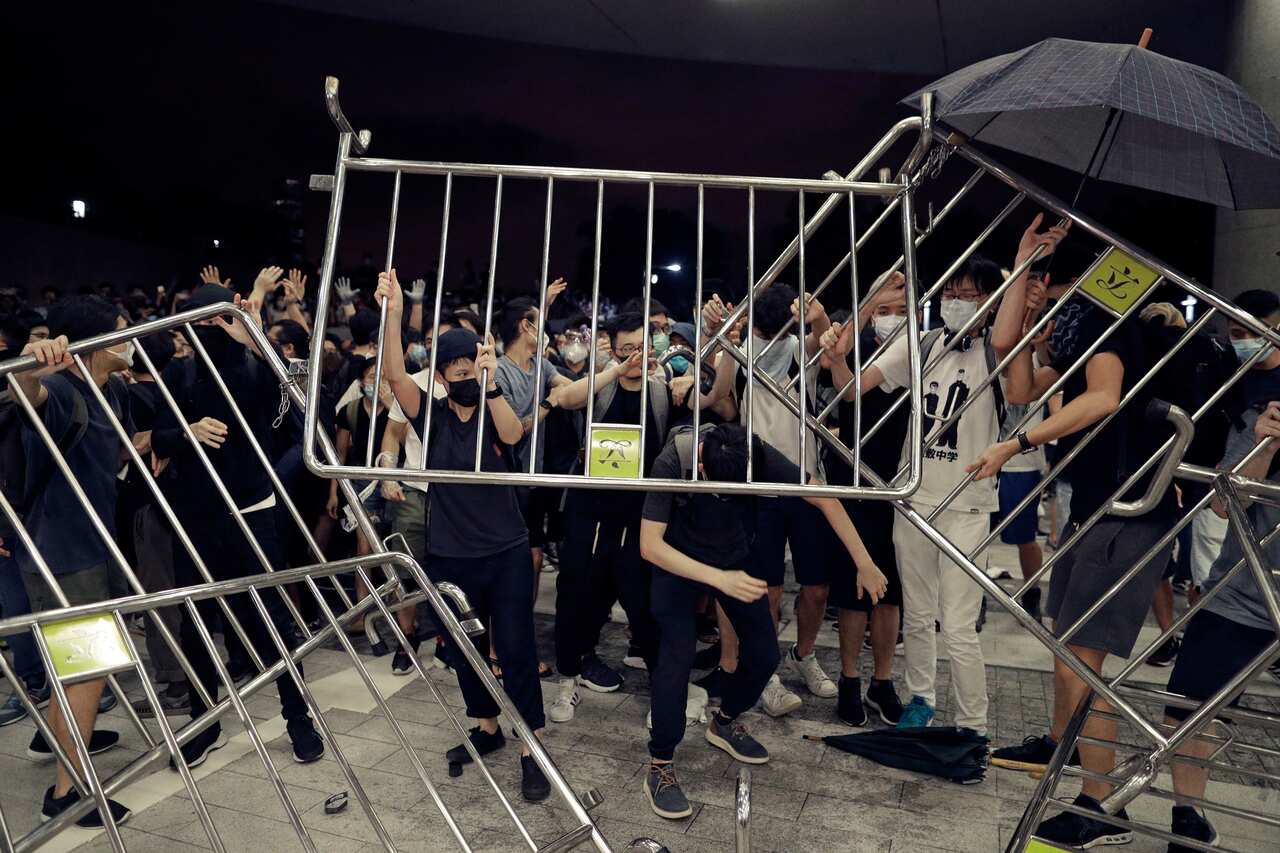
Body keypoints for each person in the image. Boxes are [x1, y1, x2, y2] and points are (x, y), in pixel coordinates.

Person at [971, 284, 1189, 846]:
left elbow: (1103, 399)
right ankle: (1060, 745)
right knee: (1065, 648)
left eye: (1045, 286)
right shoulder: (1075, 334)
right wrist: (1026, 333)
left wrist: (1015, 445)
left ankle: (1102, 807)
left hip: (1127, 514)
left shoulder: (1104, 326)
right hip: (1095, 509)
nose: (1040, 297)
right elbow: (1021, 388)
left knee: (1083, 665)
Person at [853, 216, 1067, 735]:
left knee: (959, 623)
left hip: (968, 505)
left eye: (968, 295)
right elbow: (856, 384)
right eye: (950, 293)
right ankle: (921, 698)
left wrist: (1023, 269)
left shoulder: (1000, 352)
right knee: (917, 614)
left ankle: (973, 720)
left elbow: (1020, 377)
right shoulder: (927, 344)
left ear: (990, 301)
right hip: (914, 498)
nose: (955, 301)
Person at [638, 422, 887, 819]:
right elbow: (649, 546)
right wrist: (717, 579)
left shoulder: (754, 452)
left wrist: (865, 562)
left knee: (764, 654)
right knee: (676, 657)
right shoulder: (674, 459)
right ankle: (660, 763)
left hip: (735, 558)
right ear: (701, 468)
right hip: (678, 563)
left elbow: (823, 496)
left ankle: (724, 722)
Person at [375, 270, 551, 802]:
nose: (464, 375)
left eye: (470, 366)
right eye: (455, 370)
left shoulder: (494, 408)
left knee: (516, 647)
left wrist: (491, 382)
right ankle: (487, 726)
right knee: (464, 647)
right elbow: (394, 374)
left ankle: (531, 747)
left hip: (506, 551)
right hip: (451, 555)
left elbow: (514, 434)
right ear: (441, 376)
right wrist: (394, 313)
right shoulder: (431, 417)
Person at [151, 282, 325, 770]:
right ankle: (204, 723)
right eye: (201, 321)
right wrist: (186, 433)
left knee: (271, 620)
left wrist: (255, 340)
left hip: (253, 510)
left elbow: (295, 403)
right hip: (195, 515)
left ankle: (299, 719)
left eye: (219, 319)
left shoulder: (255, 364)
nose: (211, 329)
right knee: (196, 623)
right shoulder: (178, 371)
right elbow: (158, 434)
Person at [544, 312, 732, 722]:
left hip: (641, 515)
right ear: (613, 350)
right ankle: (568, 680)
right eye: (625, 349)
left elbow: (717, 396)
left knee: (646, 604)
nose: (634, 356)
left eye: (641, 348)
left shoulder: (664, 389)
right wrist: (614, 371)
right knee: (574, 596)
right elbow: (567, 399)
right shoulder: (601, 385)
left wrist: (708, 364)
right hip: (589, 511)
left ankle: (663, 690)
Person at [12, 297, 134, 826]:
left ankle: (62, 745)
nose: (129, 339)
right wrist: (29, 367)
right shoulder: (62, 389)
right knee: (87, 669)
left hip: (90, 545)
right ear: (92, 344)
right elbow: (28, 395)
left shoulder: (113, 390)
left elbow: (122, 448)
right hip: (63, 553)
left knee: (77, 668)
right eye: (120, 331)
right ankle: (70, 792)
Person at [698, 284, 836, 717]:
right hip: (758, 488)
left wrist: (817, 314)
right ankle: (767, 672)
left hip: (806, 483)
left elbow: (828, 341)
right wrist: (719, 335)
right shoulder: (740, 353)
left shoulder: (800, 349)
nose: (768, 335)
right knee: (768, 590)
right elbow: (718, 390)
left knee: (817, 587)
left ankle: (804, 654)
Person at [1161, 399, 1279, 851]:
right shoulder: (1259, 423)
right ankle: (1187, 816)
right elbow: (1224, 503)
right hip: (1240, 595)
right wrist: (1265, 447)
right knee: (1185, 710)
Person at [818, 269, 913, 726]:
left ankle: (883, 680)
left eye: (901, 309)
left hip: (900, 482)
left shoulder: (921, 348)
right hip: (854, 479)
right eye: (883, 310)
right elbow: (843, 381)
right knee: (854, 591)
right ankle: (850, 679)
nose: (891, 317)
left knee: (891, 592)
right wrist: (871, 300)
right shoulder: (858, 342)